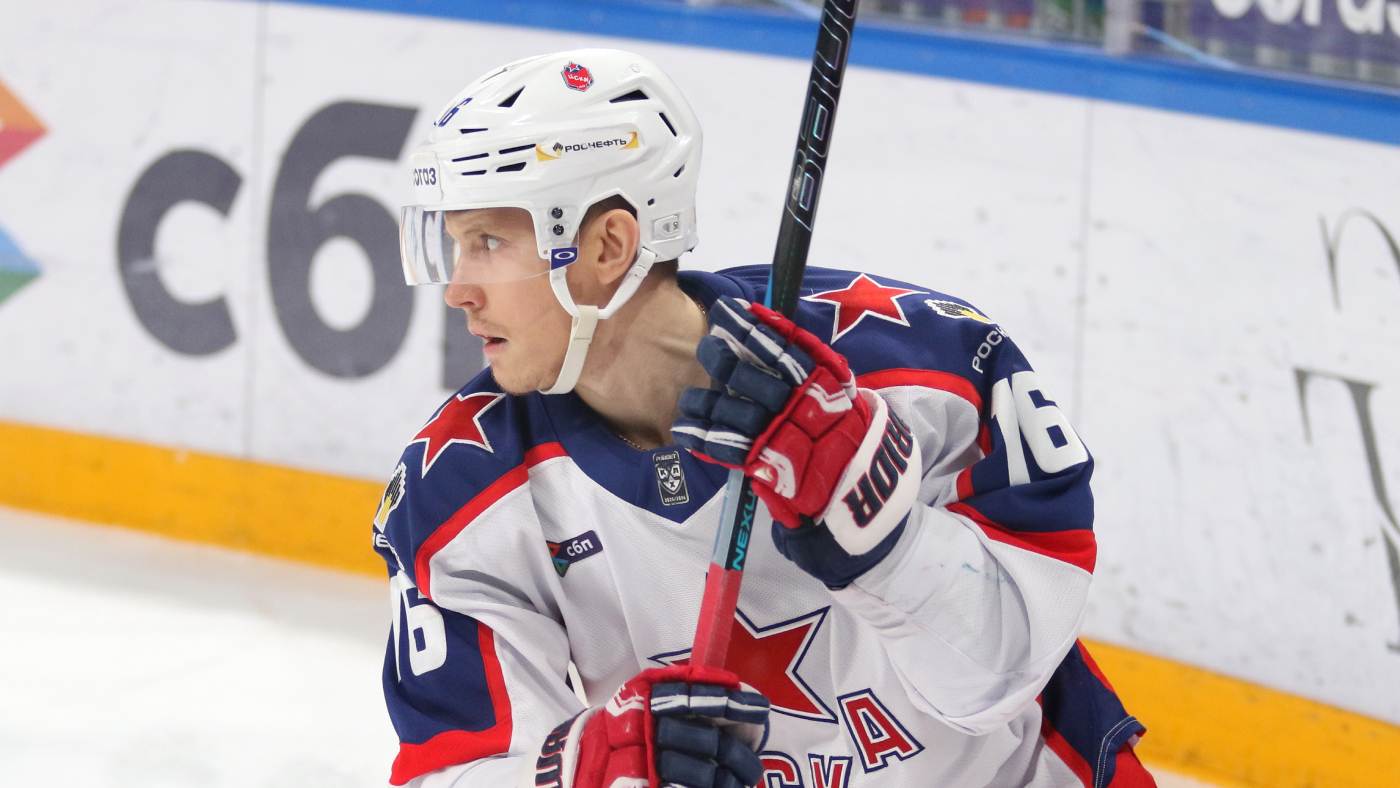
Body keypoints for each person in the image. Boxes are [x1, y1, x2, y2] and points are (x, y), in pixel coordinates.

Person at [376, 48, 1156, 788]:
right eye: (456, 246)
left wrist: (877, 521)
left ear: (610, 244)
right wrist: (586, 768)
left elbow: (1006, 673)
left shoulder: (925, 366)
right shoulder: (456, 493)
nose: (459, 291)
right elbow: (457, 766)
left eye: (489, 242)